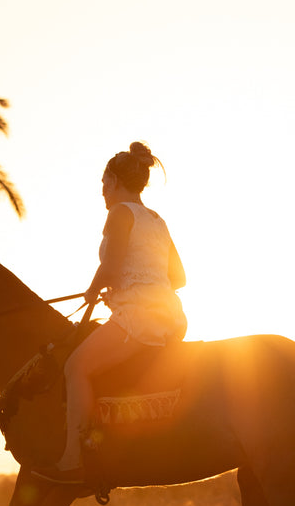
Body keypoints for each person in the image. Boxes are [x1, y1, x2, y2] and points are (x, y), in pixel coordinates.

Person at [43, 142, 188, 482]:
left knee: (75, 366)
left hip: (136, 319)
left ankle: (72, 461)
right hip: (171, 316)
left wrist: (97, 292)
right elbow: (179, 277)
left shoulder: (120, 213)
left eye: (104, 182)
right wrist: (144, 279)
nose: (102, 191)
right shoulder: (157, 219)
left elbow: (110, 268)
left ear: (116, 181)